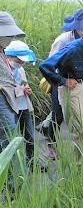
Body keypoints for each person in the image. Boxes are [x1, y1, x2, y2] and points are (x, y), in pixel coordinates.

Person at [39, 19, 83, 157]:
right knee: (82, 130)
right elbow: (45, 66)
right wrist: (63, 81)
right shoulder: (72, 49)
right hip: (71, 89)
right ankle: (81, 166)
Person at [4, 41, 43, 169]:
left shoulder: (20, 70)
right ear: (8, 56)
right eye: (19, 60)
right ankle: (16, 166)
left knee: (29, 136)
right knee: (12, 138)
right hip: (10, 107)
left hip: (23, 106)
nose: (21, 63)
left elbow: (23, 85)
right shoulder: (3, 69)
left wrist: (27, 89)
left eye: (23, 61)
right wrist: (20, 89)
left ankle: (31, 160)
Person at [0, 12, 26, 156]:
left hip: (7, 98)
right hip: (2, 99)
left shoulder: (2, 51)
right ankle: (8, 178)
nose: (11, 38)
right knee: (8, 139)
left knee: (9, 138)